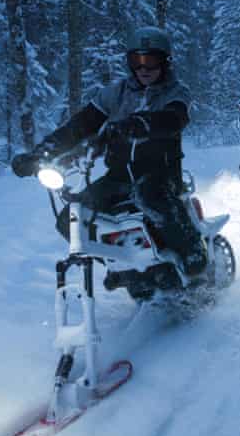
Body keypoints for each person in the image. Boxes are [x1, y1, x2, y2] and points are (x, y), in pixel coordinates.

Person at [11, 26, 208, 277]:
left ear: (165, 62)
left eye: (152, 60)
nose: (144, 69)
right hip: (119, 178)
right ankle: (122, 266)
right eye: (138, 61)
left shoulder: (175, 92)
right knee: (71, 220)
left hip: (161, 174)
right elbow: (78, 127)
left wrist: (141, 124)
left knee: (150, 196)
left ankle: (193, 252)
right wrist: (39, 155)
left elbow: (174, 118)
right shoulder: (115, 94)